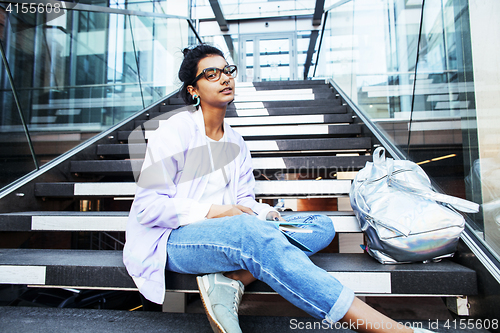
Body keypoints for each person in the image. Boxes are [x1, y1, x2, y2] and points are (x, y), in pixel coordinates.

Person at [123, 44, 430, 333]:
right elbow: (148, 208)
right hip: (174, 241)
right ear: (193, 90)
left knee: (320, 227)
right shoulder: (173, 132)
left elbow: (245, 201)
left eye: (227, 70)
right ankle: (387, 327)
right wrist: (218, 212)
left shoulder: (237, 144)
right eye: (211, 74)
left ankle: (233, 280)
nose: (225, 78)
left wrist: (267, 215)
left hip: (231, 232)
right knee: (248, 231)